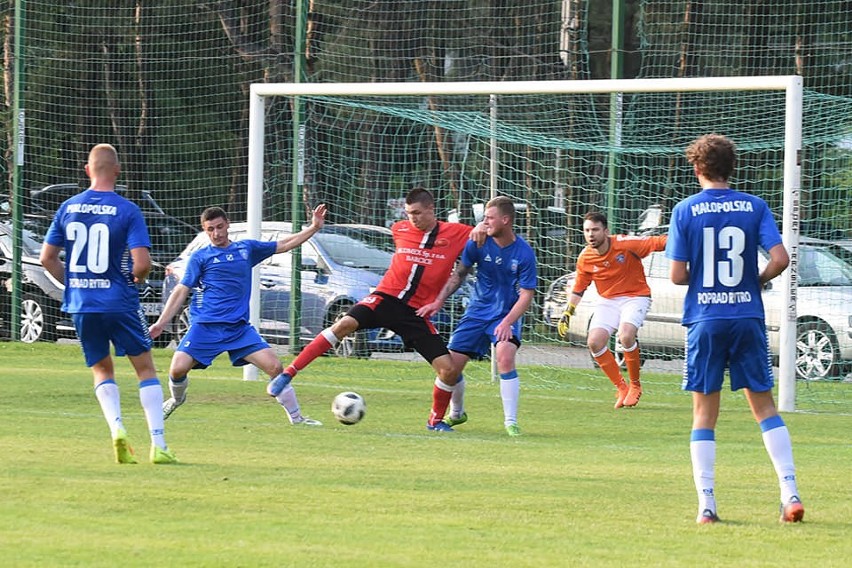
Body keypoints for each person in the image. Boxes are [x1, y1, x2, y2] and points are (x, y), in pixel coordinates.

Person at [666, 133, 804, 524]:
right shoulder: (755, 206)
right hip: (746, 316)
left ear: (697, 169)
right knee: (764, 408)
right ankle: (790, 493)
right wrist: (754, 280)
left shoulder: (684, 210)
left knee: (704, 414)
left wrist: (705, 277)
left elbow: (676, 275)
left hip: (706, 318)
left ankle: (707, 505)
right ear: (733, 167)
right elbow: (780, 258)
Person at [266, 187, 478, 432]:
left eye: (418, 213)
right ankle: (287, 375)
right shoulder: (400, 229)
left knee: (449, 370)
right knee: (344, 324)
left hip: (415, 312)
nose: (413, 218)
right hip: (385, 298)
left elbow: (486, 233)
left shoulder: (458, 233)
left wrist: (483, 227)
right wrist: (315, 226)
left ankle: (435, 421)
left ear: (431, 209)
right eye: (410, 213)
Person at [40, 143, 177, 464]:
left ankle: (117, 430)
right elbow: (142, 263)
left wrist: (75, 284)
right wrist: (136, 281)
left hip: (82, 304)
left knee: (102, 369)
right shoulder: (128, 210)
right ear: (117, 171)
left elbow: (47, 258)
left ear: (88, 170)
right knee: (145, 369)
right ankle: (158, 444)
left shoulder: (68, 207)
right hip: (119, 301)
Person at [148, 204, 327, 426]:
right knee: (177, 369)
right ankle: (176, 399)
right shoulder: (200, 257)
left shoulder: (245, 249)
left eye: (220, 227)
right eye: (210, 229)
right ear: (205, 230)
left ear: (228, 224)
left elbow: (283, 244)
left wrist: (313, 228)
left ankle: (297, 419)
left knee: (275, 367)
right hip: (205, 326)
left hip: (238, 329)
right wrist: (160, 323)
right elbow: (182, 289)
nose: (216, 233)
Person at [419, 196, 537, 436]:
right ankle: (457, 414)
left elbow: (526, 295)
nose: (484, 222)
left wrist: (507, 322)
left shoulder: (524, 253)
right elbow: (459, 273)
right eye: (483, 218)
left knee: (505, 356)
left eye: (489, 218)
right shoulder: (478, 242)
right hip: (476, 313)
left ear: (505, 220)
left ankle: (510, 422)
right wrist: (439, 300)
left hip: (505, 315)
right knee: (449, 368)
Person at [557, 212, 666, 408]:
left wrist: (686, 239)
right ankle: (621, 387)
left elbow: (656, 242)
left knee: (625, 336)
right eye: (587, 230)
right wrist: (568, 312)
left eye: (595, 230)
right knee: (594, 342)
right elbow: (579, 287)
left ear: (606, 231)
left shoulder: (625, 244)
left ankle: (635, 385)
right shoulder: (585, 258)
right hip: (608, 301)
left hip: (635, 296)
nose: (591, 235)